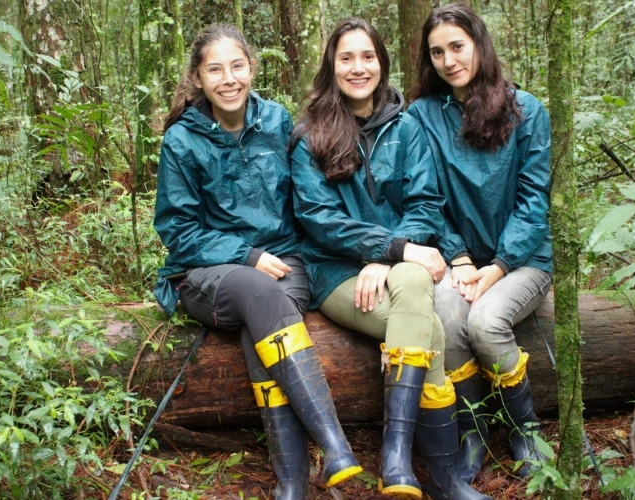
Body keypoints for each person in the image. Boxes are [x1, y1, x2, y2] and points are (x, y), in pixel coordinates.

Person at [152, 23, 362, 499]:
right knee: (257, 292)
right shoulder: (182, 142)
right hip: (207, 275)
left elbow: (304, 201)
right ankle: (334, 443)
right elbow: (178, 232)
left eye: (237, 66)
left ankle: (291, 481)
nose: (229, 79)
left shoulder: (277, 120)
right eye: (215, 70)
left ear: (252, 68)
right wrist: (247, 255)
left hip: (287, 264)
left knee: (259, 332)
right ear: (198, 79)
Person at [290, 17, 491, 500]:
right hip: (335, 273)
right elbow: (319, 219)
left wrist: (388, 257)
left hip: (397, 270)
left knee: (416, 290)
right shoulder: (309, 134)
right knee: (429, 323)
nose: (358, 68)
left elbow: (425, 204)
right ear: (331, 66)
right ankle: (439, 476)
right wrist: (390, 251)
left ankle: (398, 456)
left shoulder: (408, 127)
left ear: (381, 63)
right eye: (346, 58)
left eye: (367, 57)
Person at [407, 2, 553, 481]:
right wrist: (460, 258)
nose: (449, 61)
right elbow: (427, 197)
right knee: (447, 317)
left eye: (457, 47)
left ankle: (523, 427)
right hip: (460, 260)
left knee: (487, 322)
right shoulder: (424, 116)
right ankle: (473, 430)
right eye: (437, 53)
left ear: (478, 45)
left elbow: (534, 201)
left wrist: (499, 266)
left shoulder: (527, 110)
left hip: (523, 259)